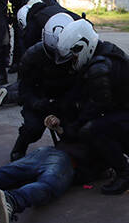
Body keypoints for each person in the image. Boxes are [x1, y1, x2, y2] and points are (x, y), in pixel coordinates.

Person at [50, 21, 129, 195]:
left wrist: (73, 127)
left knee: (94, 130)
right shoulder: (102, 53)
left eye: (73, 57)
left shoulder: (100, 68)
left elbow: (96, 105)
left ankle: (126, 175)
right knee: (107, 125)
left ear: (83, 47)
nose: (72, 62)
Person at [0, 142, 110, 223]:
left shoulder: (80, 120)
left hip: (46, 151)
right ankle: (13, 200)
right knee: (48, 186)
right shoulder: (100, 143)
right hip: (65, 161)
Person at [8, 14, 78, 161]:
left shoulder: (77, 54)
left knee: (73, 132)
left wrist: (65, 105)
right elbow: (24, 88)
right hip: (39, 99)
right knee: (32, 129)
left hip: (65, 101)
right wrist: (36, 103)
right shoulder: (32, 56)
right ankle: (19, 147)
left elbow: (81, 87)